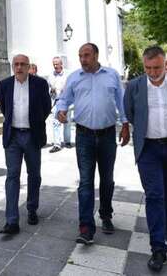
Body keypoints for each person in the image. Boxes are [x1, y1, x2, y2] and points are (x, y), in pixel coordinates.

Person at [124, 46, 167, 272]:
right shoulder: (135, 86)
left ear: (165, 64)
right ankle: (158, 248)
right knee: (154, 194)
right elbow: (131, 113)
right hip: (148, 149)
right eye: (148, 68)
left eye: (156, 67)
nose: (152, 72)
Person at [57, 43, 127, 244]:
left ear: (96, 55)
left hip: (106, 136)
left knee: (107, 179)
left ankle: (106, 215)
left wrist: (125, 124)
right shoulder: (74, 78)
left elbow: (121, 102)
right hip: (84, 136)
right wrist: (60, 111)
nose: (83, 59)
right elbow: (64, 99)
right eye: (80, 56)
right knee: (86, 181)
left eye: (86, 55)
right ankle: (86, 227)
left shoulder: (112, 75)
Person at [0, 54, 52, 235]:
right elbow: (4, 108)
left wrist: (34, 124)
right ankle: (12, 220)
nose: (19, 67)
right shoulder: (5, 84)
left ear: (29, 66)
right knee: (12, 176)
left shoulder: (39, 84)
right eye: (16, 64)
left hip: (32, 136)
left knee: (34, 175)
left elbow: (46, 107)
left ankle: (32, 208)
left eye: (23, 64)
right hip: (12, 136)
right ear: (12, 66)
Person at [48, 56, 71, 153]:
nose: (55, 66)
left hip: (66, 101)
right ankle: (57, 144)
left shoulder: (67, 75)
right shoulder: (51, 75)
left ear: (61, 64)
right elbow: (49, 88)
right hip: (56, 102)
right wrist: (51, 90)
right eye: (54, 64)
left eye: (57, 64)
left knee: (67, 122)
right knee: (55, 123)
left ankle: (67, 141)